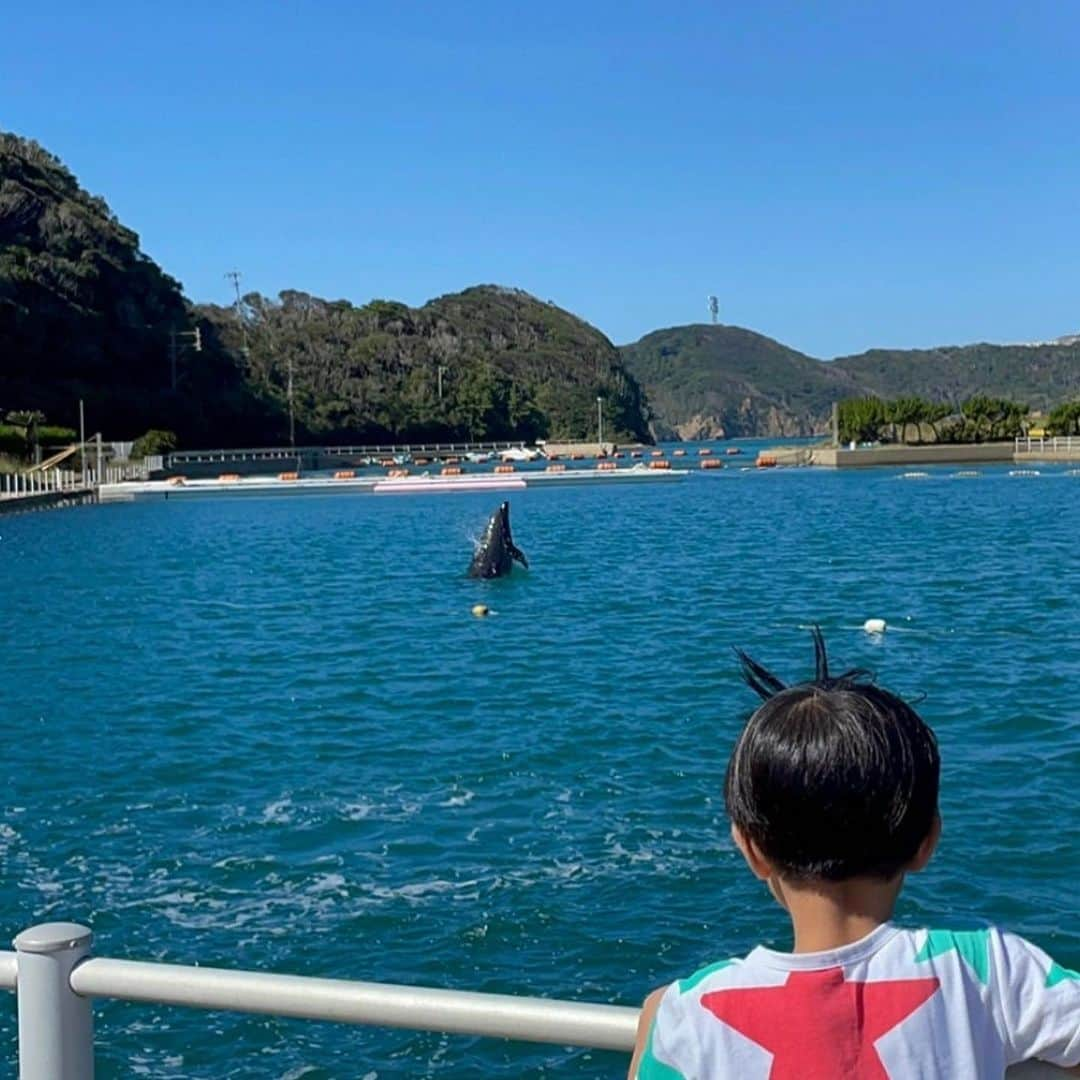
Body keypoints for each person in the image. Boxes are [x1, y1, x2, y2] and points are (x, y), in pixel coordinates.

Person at [629, 630, 1080, 1079]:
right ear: (927, 841)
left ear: (751, 849)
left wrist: (660, 1015)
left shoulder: (691, 1015)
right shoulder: (988, 969)